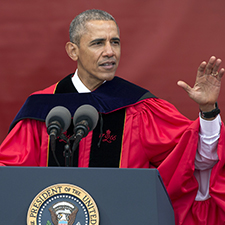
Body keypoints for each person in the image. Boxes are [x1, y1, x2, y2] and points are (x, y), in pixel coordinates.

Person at [0, 9, 224, 225]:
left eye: (115, 42)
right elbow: (10, 177)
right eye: (98, 43)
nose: (110, 52)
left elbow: (194, 161)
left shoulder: (140, 108)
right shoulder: (43, 108)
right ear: (73, 51)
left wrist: (208, 110)